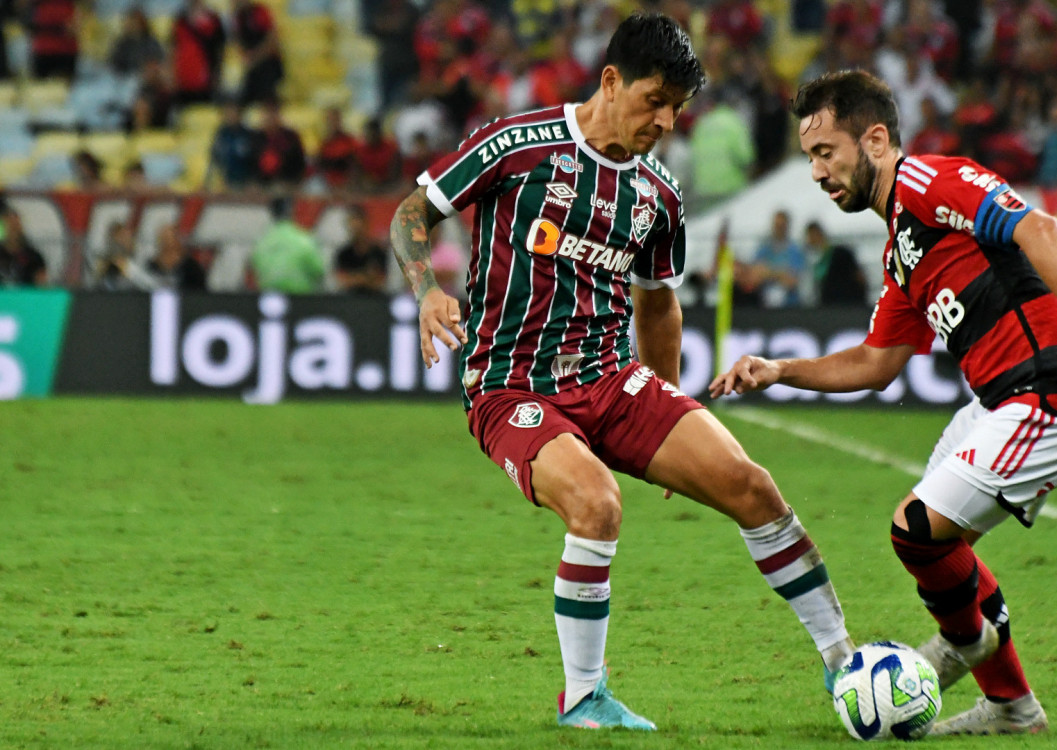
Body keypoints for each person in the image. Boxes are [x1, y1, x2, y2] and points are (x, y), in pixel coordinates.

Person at [389, 13, 854, 731]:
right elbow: (410, 213)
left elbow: (658, 306)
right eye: (654, 100)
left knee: (751, 486)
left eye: (676, 108)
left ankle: (843, 665)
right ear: (610, 80)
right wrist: (427, 292)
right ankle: (583, 696)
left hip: (612, 381)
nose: (666, 120)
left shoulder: (658, 195)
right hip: (513, 385)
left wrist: (669, 405)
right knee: (598, 504)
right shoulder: (516, 146)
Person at [710, 70, 1057, 737]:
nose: (816, 171)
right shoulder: (899, 250)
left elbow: (1040, 227)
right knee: (945, 548)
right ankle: (1010, 704)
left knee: (916, 529)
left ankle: (966, 649)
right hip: (999, 401)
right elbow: (876, 361)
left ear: (877, 139)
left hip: (1051, 390)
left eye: (826, 152)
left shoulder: (925, 182)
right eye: (809, 157)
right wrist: (781, 369)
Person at [250, 197, 325, 293]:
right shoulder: (304, 239)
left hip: (269, 297)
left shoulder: (261, 242)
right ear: (293, 212)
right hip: (301, 299)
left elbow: (255, 270)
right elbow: (318, 270)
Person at [750, 209, 808, 306]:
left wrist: (769, 273)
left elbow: (793, 281)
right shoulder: (764, 249)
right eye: (777, 225)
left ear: (787, 226)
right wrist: (780, 274)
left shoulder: (795, 251)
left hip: (790, 305)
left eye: (782, 226)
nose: (779, 229)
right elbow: (755, 275)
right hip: (763, 304)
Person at [334, 204, 388, 294]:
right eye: (352, 226)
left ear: (366, 224)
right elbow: (342, 281)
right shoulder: (343, 253)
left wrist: (355, 278)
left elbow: (381, 281)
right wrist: (365, 278)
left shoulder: (378, 252)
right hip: (349, 300)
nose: (356, 229)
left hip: (375, 300)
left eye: (358, 225)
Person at [0, 209, 48, 286]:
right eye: (10, 226)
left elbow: (42, 285)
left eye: (15, 226)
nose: (13, 231)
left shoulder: (34, 257)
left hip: (26, 297)